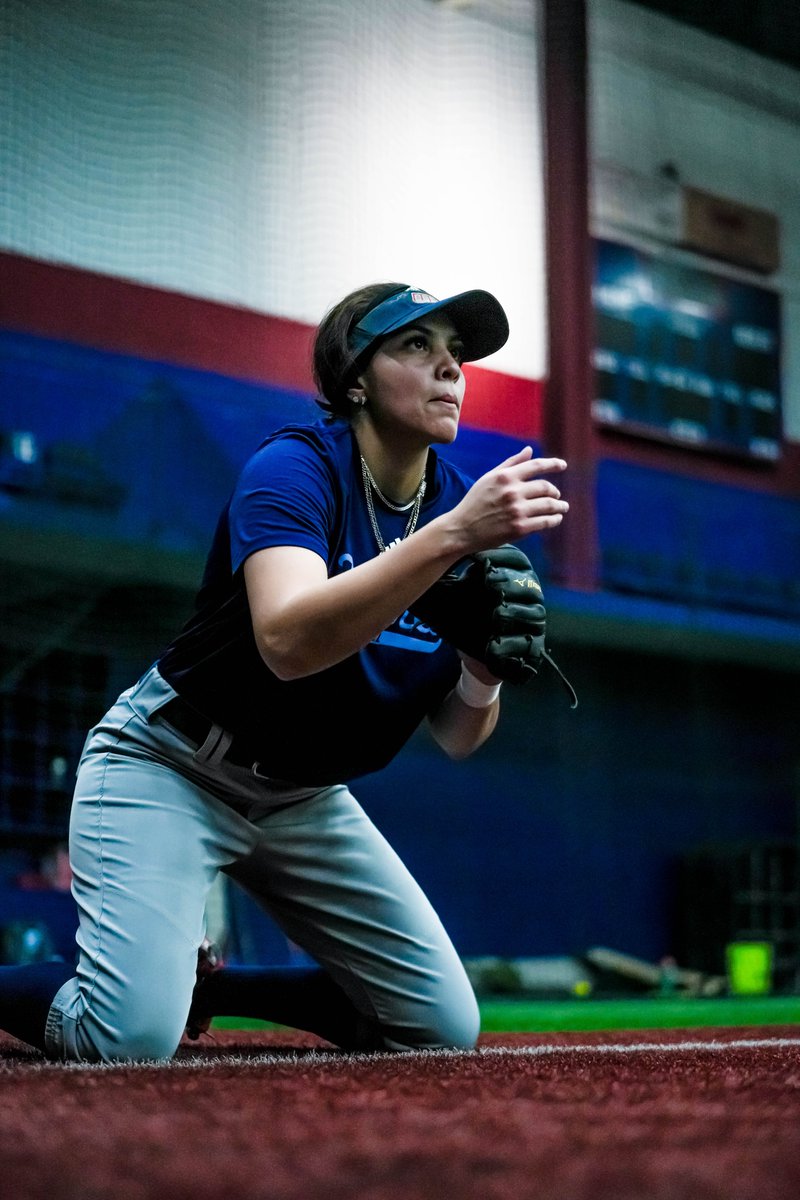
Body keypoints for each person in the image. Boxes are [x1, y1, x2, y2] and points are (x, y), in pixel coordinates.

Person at [0, 281, 568, 1061]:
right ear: (355, 380)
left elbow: (459, 735)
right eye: (417, 345)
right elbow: (287, 641)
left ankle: (215, 990)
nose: (449, 368)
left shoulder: (456, 511)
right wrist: (449, 539)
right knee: (125, 1038)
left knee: (441, 1029)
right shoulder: (297, 467)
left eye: (456, 353)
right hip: (171, 766)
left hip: (302, 798)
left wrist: (485, 667)